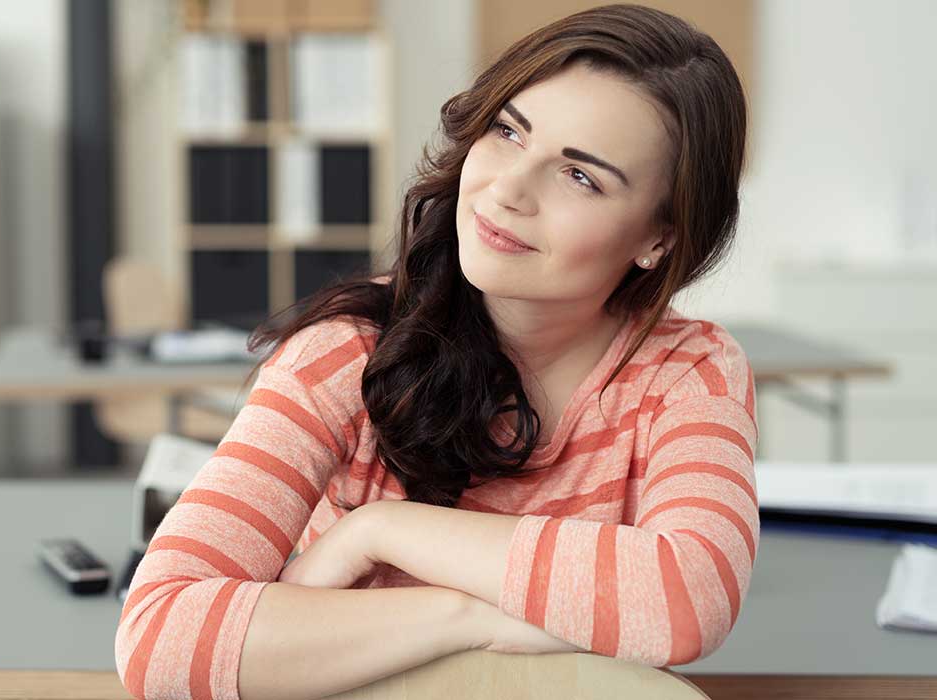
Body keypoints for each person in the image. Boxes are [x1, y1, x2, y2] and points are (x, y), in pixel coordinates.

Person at [116, 4, 757, 700]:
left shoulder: (686, 371)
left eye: (580, 177)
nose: (507, 190)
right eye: (509, 132)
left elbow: (689, 596)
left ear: (659, 239)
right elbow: (160, 636)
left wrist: (382, 531)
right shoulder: (343, 354)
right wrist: (467, 616)